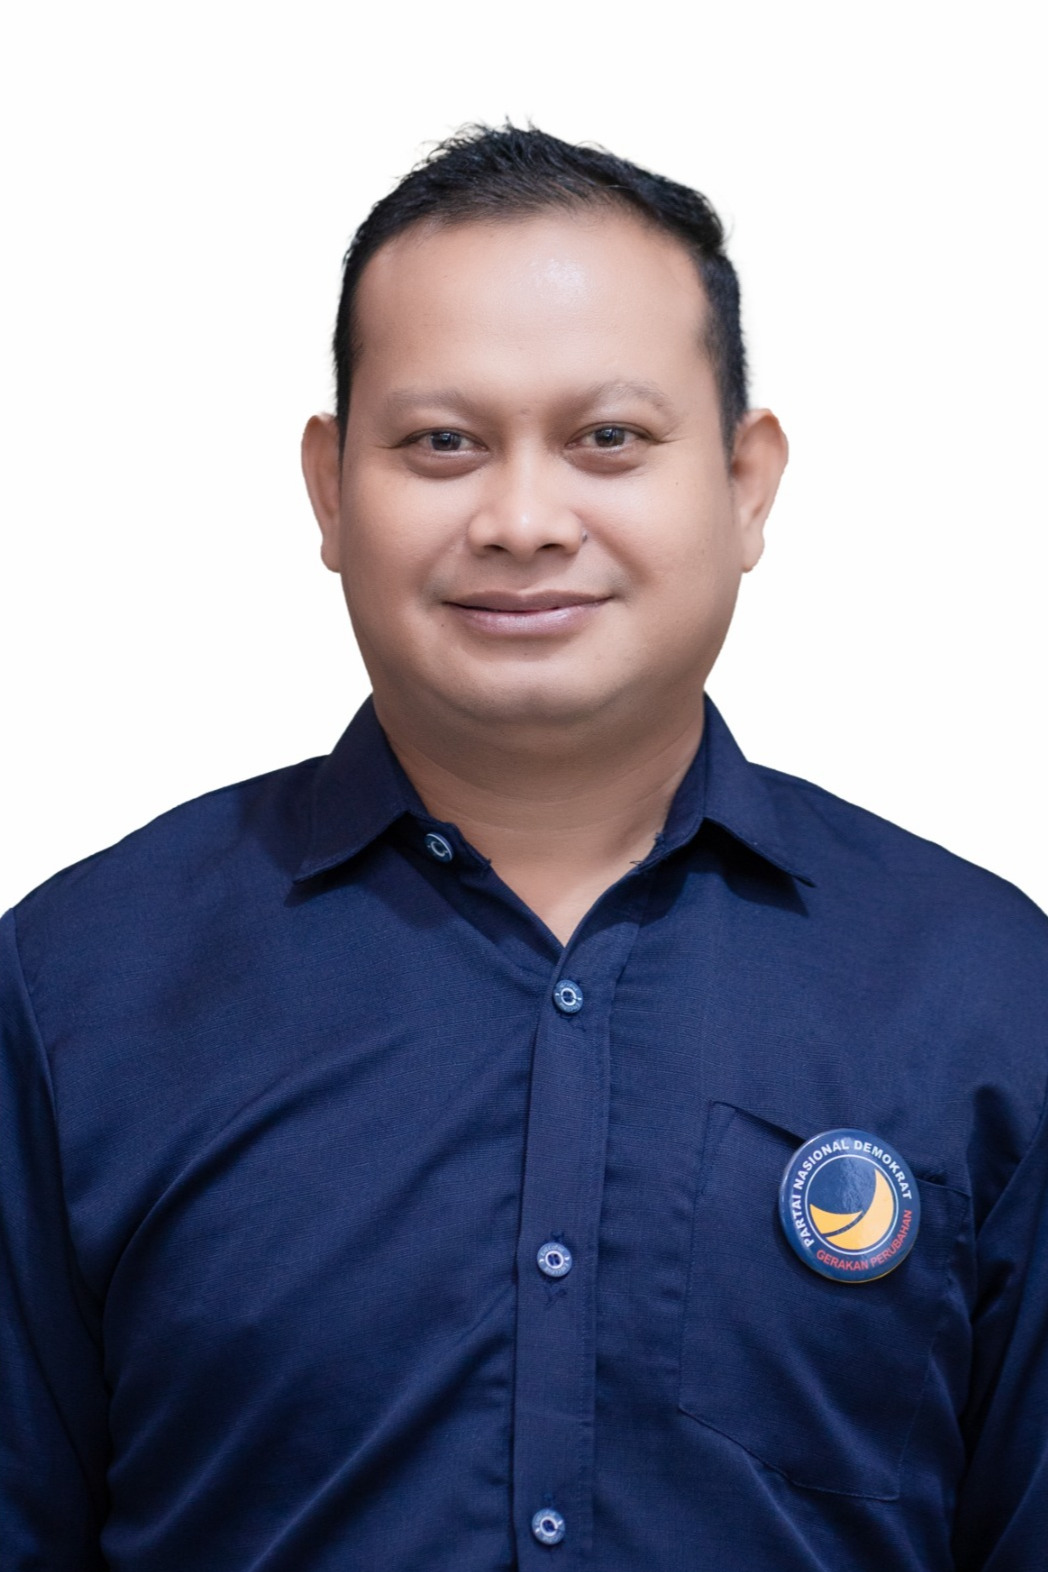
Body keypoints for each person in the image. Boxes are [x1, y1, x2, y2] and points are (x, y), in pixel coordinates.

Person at [2, 124, 1046, 1572]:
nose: (523, 520)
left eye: (607, 439)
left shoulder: (988, 994)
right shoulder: (75, 990)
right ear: (330, 489)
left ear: (747, 483)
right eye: (444, 443)